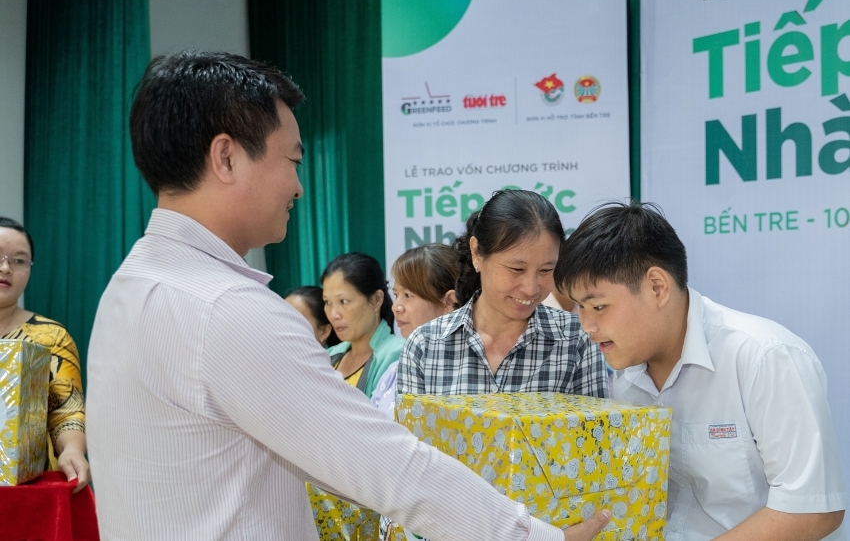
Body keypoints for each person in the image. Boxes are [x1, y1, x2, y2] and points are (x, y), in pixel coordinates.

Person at [85, 51, 610, 541]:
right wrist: (537, 536)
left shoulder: (126, 288)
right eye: (292, 160)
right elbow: (386, 466)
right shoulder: (229, 311)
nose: (298, 187)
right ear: (226, 157)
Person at [557, 201, 846, 541]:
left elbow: (812, 510)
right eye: (579, 307)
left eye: (599, 306)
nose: (587, 325)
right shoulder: (624, 376)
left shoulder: (764, 357)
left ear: (657, 287)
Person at [396, 189, 608, 398]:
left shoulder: (577, 340)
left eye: (545, 270)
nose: (531, 288)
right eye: (517, 269)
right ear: (477, 253)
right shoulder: (425, 345)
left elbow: (595, 421)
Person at [0, 217, 89, 492]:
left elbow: (67, 410)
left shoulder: (51, 337)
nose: (5, 268)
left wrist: (72, 449)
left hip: (27, 492)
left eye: (19, 260)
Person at [371, 243, 459, 418]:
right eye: (396, 295)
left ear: (449, 301)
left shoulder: (467, 373)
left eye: (408, 295)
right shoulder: (394, 371)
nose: (396, 307)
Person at [322, 253, 402, 397]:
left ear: (377, 299)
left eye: (344, 301)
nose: (334, 314)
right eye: (327, 302)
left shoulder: (397, 354)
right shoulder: (328, 356)